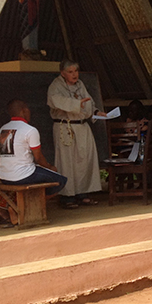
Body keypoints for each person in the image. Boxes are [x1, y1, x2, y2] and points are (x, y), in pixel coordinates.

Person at [0, 100, 67, 225]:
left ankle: (16, 207)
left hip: (5, 176)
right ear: (24, 111)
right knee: (60, 180)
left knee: (41, 175)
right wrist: (51, 167)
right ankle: (22, 208)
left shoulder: (3, 129)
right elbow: (38, 158)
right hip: (24, 175)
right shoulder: (30, 130)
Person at [47, 60, 102, 208]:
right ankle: (67, 196)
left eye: (76, 71)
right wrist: (77, 104)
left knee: (84, 161)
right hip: (65, 128)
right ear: (63, 73)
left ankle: (83, 194)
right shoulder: (56, 86)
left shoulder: (80, 85)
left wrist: (95, 112)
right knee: (67, 162)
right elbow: (55, 101)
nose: (74, 74)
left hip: (82, 127)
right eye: (70, 72)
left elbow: (89, 102)